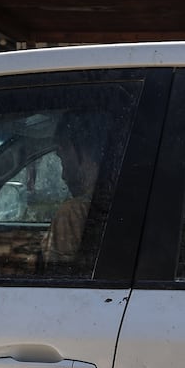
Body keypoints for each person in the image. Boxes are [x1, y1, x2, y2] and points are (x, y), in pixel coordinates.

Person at [44, 108, 112, 262]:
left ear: (79, 149)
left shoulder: (73, 213)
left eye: (62, 158)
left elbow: (56, 280)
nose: (63, 175)